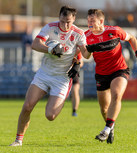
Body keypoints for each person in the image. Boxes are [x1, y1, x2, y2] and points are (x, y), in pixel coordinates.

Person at [9, 6, 91, 146]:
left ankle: (61, 98)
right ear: (59, 17)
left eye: (69, 22)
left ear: (74, 19)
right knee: (28, 106)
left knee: (50, 116)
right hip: (44, 74)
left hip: (62, 78)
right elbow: (35, 44)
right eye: (63, 21)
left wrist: (85, 54)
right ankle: (18, 140)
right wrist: (50, 49)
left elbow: (86, 55)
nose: (65, 25)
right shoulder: (50, 27)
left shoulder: (78, 33)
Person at [84, 9, 137, 144]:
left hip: (119, 70)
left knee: (116, 95)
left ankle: (106, 129)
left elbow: (132, 38)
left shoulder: (114, 31)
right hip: (101, 74)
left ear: (101, 21)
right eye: (88, 20)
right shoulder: (85, 36)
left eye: (92, 20)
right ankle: (111, 126)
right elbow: (86, 56)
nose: (89, 23)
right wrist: (89, 49)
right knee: (104, 109)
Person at [71, 52, 84, 117]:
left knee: (75, 91)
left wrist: (75, 64)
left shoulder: (77, 51)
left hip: (73, 74)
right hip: (63, 74)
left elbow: (81, 63)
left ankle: (74, 110)